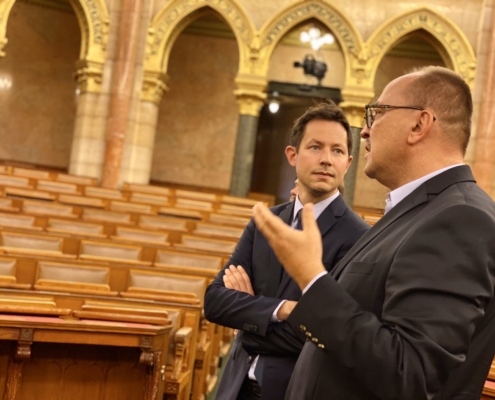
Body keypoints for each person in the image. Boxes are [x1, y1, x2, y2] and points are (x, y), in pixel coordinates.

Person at [252, 66, 495, 400]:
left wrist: (312, 279)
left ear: (419, 124)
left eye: (377, 113)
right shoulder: (420, 209)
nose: (364, 131)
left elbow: (411, 373)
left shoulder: (459, 217)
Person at [204, 102, 369, 400]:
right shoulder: (266, 221)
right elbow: (215, 302)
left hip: (294, 390)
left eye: (337, 151)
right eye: (315, 147)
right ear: (293, 155)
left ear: (348, 162)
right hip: (235, 386)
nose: (327, 160)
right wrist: (285, 310)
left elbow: (321, 337)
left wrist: (248, 315)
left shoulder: (358, 237)